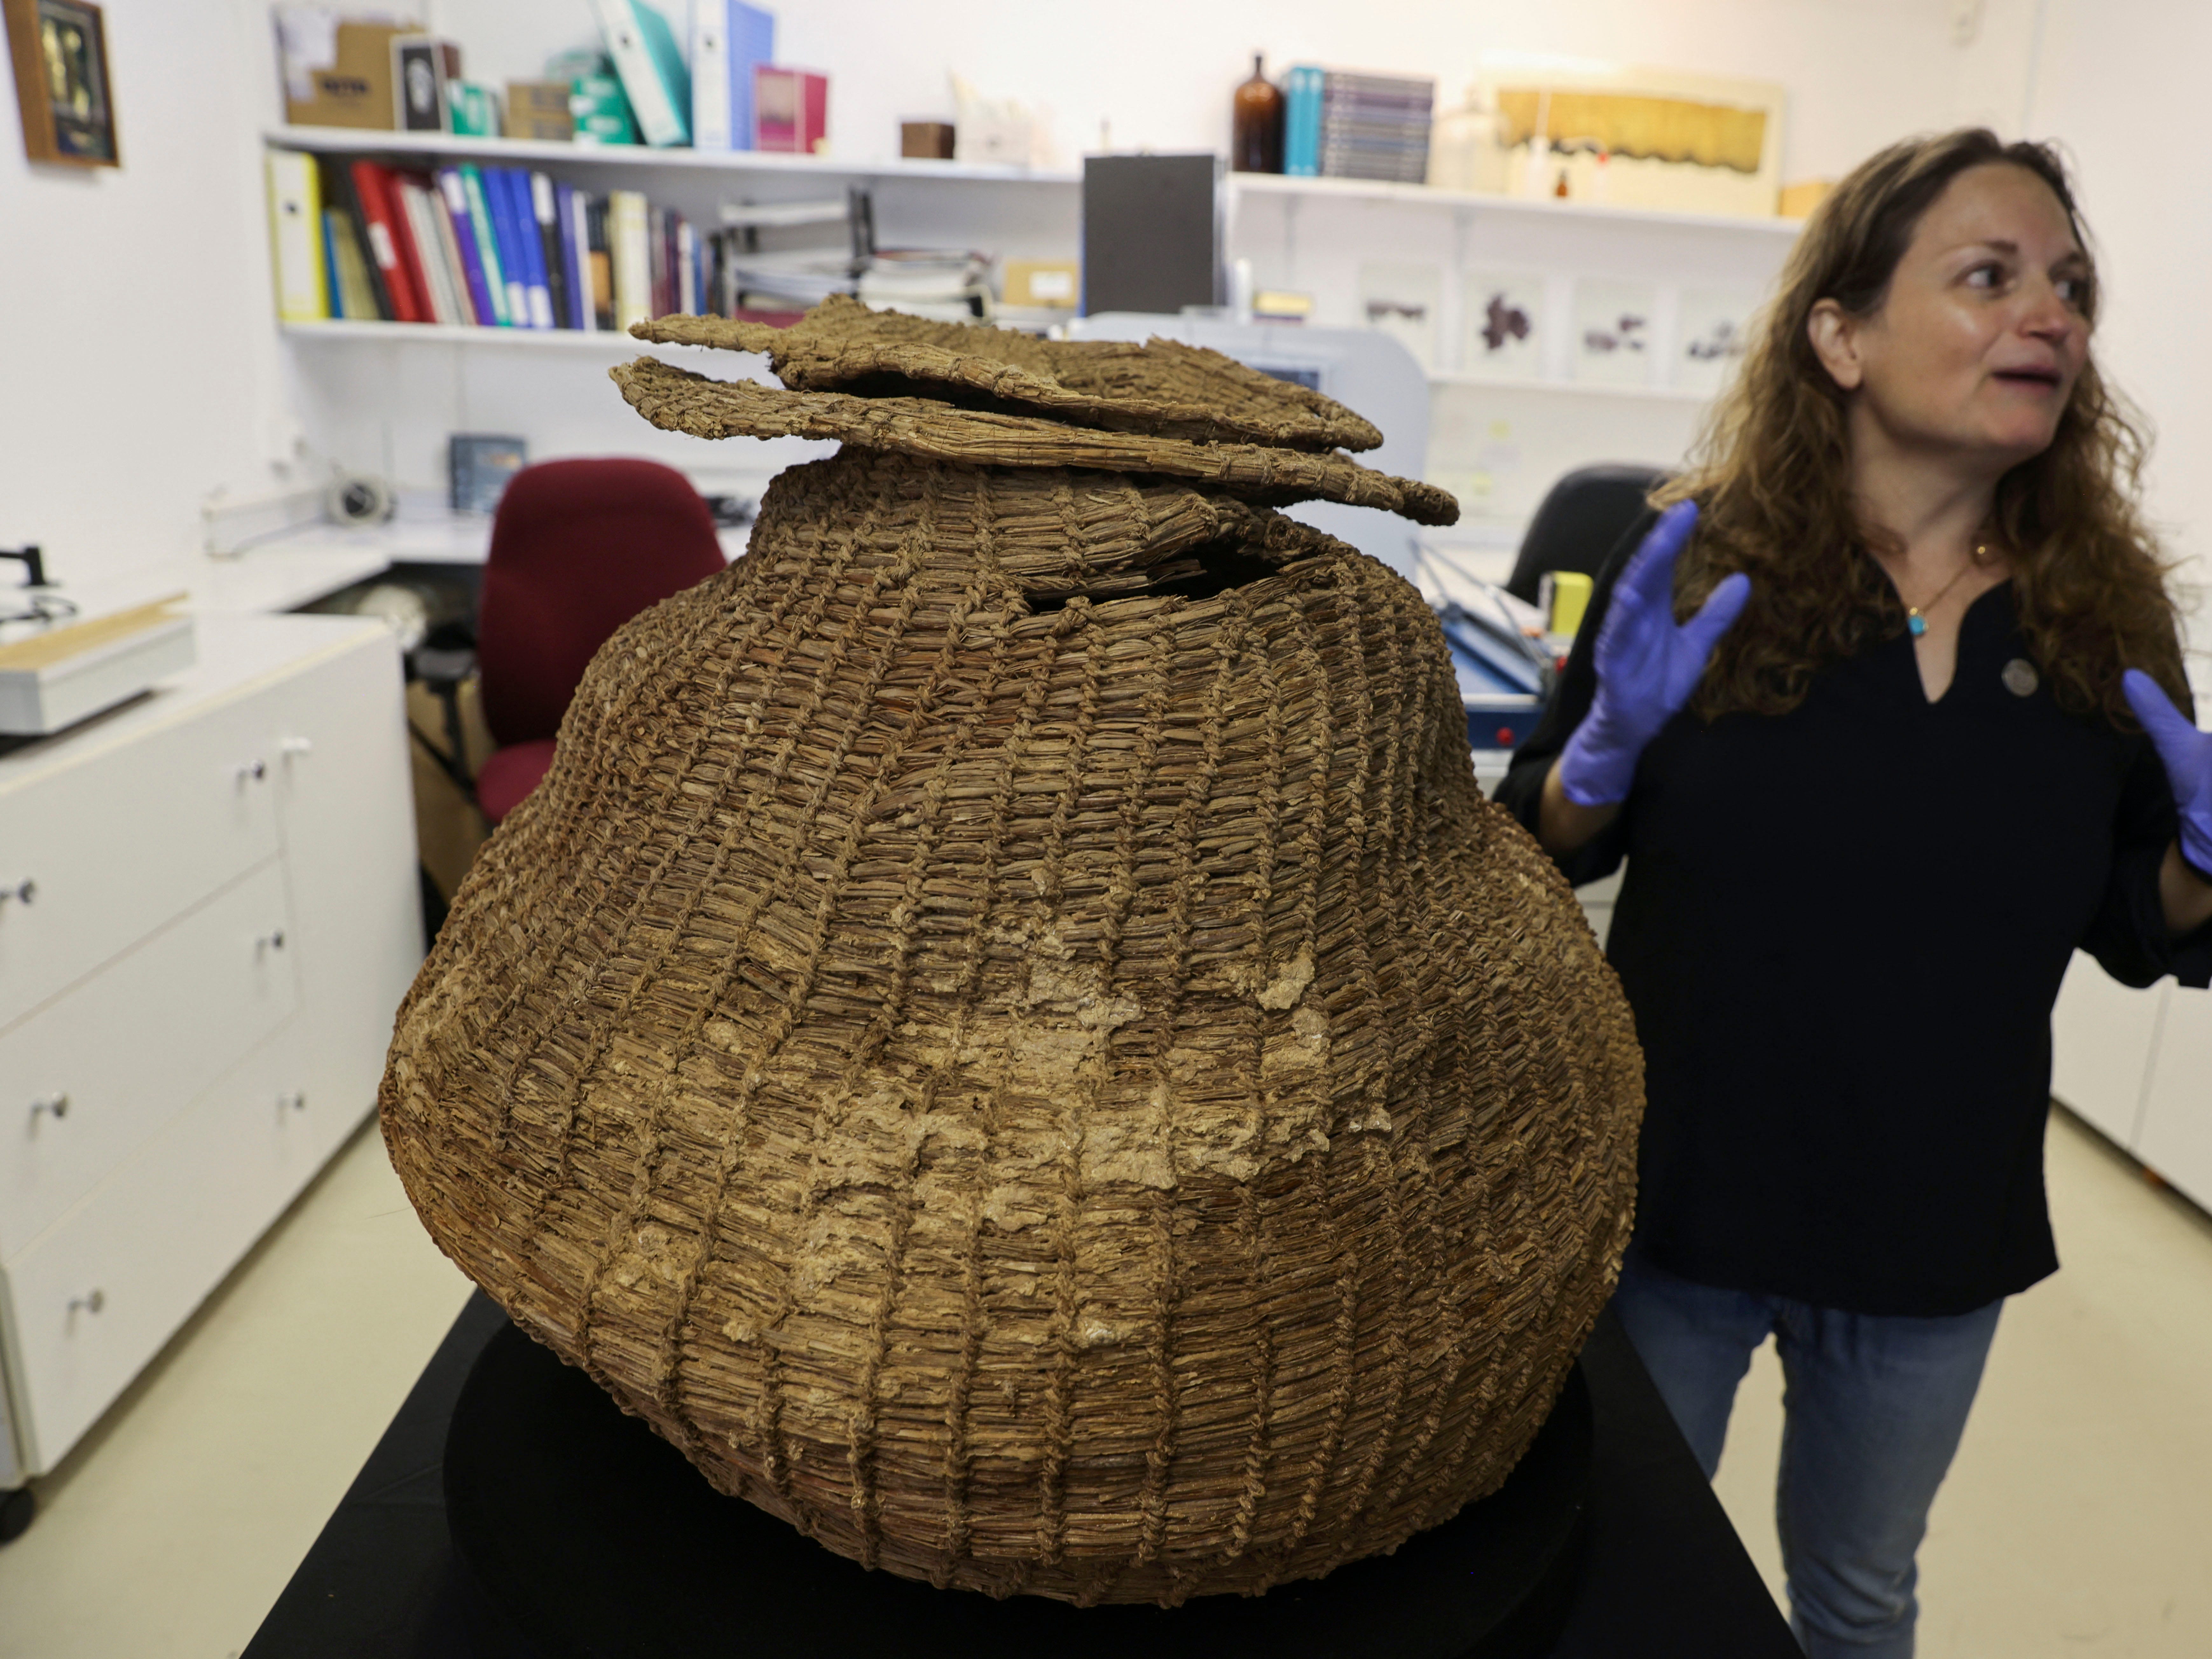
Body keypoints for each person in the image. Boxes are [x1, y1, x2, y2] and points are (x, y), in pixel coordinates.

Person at [1496, 128, 2212, 1659]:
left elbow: (2139, 924)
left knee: (1858, 1596)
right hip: (1681, 1199)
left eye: (2071, 286)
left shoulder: (2104, 606)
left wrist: (2206, 865)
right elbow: (1544, 845)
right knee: (1618, 1568)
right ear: (1842, 333)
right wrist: (1603, 752)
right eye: (1991, 276)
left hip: (1930, 1229)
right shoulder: (1701, 557)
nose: (2055, 317)